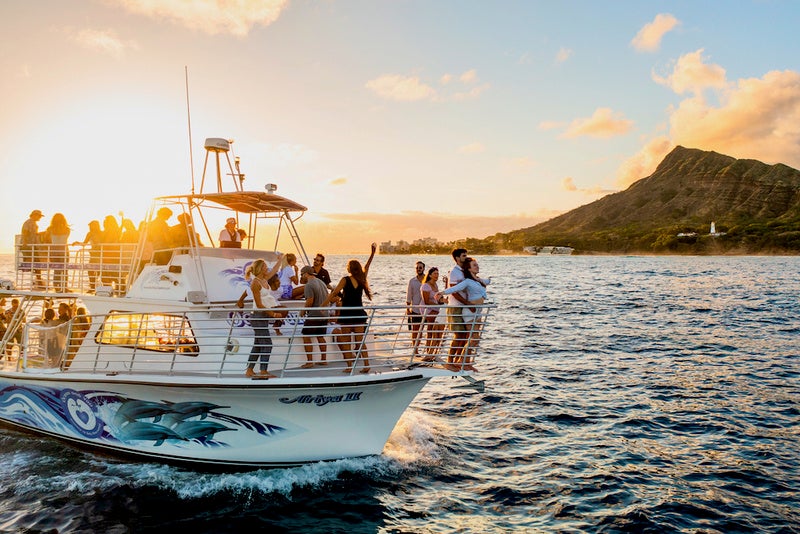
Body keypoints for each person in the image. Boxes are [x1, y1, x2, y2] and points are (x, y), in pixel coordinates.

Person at [322, 243, 377, 373]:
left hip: (346, 314)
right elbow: (367, 266)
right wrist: (372, 254)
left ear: (349, 269)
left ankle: (349, 366)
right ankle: (366, 364)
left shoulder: (345, 280)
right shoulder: (362, 278)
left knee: (346, 342)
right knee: (360, 342)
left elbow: (335, 293)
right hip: (358, 314)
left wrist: (323, 305)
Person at [436, 257, 490, 371]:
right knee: (473, 337)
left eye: (477, 264)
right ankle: (462, 360)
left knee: (476, 338)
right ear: (469, 268)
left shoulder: (478, 280)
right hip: (469, 312)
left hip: (478, 312)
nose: (477, 266)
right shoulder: (467, 281)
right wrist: (442, 292)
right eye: (474, 265)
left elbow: (488, 281)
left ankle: (466, 361)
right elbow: (454, 288)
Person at [243, 256, 285, 378]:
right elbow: (259, 304)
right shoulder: (255, 283)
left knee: (258, 344)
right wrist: (273, 314)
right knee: (267, 343)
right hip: (258, 316)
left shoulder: (265, 279)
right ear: (261, 269)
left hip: (263, 316)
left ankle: (249, 370)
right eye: (265, 267)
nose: (267, 269)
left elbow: (274, 271)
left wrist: (280, 260)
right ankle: (263, 371)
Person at [299, 265, 329, 369]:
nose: (301, 276)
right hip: (324, 314)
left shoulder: (309, 285)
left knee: (306, 336)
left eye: (302, 274)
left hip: (314, 315)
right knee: (320, 336)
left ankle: (309, 361)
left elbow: (310, 301)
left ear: (306, 274)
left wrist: (303, 311)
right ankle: (324, 359)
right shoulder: (321, 282)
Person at [445, 248, 470, 366]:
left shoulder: (464, 270)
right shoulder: (454, 271)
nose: (466, 257)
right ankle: (450, 360)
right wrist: (466, 302)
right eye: (463, 256)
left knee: (465, 334)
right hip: (456, 306)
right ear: (457, 258)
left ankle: (458, 360)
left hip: (464, 306)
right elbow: (453, 291)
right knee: (458, 334)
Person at [420, 266, 446, 360]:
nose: (436, 275)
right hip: (427, 309)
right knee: (431, 330)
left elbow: (438, 298)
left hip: (436, 308)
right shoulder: (425, 286)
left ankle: (434, 352)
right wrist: (437, 304)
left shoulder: (435, 285)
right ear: (430, 275)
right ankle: (429, 352)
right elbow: (426, 301)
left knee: (438, 328)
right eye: (435, 273)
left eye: (437, 274)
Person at [44, 213, 71, 291]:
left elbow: (46, 239)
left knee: (57, 269)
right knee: (65, 269)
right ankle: (64, 287)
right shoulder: (66, 229)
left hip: (54, 251)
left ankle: (56, 286)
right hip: (64, 251)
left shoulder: (50, 229)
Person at [406, 261, 426, 354]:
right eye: (417, 268)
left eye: (420, 267)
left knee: (422, 330)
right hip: (415, 309)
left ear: (423, 268)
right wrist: (407, 308)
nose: (418, 269)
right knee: (415, 330)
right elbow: (409, 295)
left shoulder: (427, 280)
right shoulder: (412, 281)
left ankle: (427, 350)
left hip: (426, 309)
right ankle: (415, 350)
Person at [21, 209, 45, 287]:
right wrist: (24, 243)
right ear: (35, 215)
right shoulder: (28, 222)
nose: (40, 218)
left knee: (36, 263)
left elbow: (33, 234)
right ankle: (39, 280)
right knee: (36, 262)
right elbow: (25, 232)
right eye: (39, 216)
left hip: (32, 245)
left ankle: (38, 279)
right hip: (29, 246)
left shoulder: (33, 223)